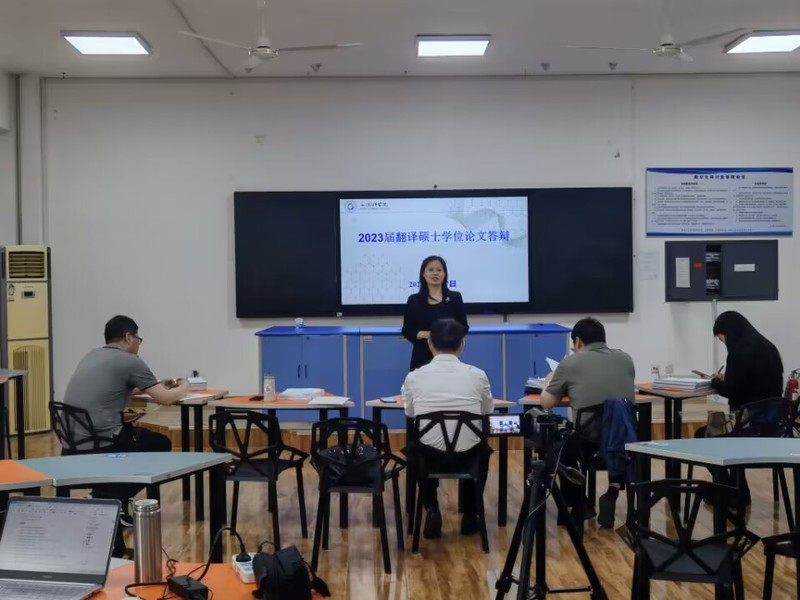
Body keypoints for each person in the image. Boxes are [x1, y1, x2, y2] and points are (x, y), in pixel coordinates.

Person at [61, 315, 190, 525]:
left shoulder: (91, 355)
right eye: (138, 339)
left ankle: (105, 495)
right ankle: (112, 498)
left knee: (141, 437)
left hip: (72, 443)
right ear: (128, 337)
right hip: (103, 444)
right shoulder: (130, 361)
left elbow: (113, 387)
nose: (139, 344)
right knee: (160, 444)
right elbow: (166, 399)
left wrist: (154, 384)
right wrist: (185, 386)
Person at [539, 317, 635, 528]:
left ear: (578, 342)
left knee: (555, 447)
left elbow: (546, 402)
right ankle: (612, 491)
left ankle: (580, 504)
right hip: (624, 442)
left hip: (589, 443)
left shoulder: (571, 363)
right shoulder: (625, 359)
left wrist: (549, 380)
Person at [402, 318, 493, 539]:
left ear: (430, 343)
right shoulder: (477, 375)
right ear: (462, 344)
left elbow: (410, 413)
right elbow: (486, 409)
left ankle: (432, 509)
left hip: (430, 457)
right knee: (482, 450)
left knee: (417, 448)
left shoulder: (414, 377)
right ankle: (470, 515)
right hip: (468, 457)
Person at [695, 311, 784, 504]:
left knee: (704, 437)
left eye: (723, 339)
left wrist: (715, 382)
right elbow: (753, 384)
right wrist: (727, 380)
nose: (724, 343)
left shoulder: (739, 354)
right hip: (774, 429)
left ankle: (730, 491)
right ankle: (737, 491)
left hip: (748, 428)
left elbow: (732, 390)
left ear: (730, 334)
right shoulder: (769, 348)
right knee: (720, 434)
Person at [401, 256, 468, 371]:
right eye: (431, 270)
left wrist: (447, 335)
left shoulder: (454, 298)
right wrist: (424, 334)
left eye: (439, 270)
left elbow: (464, 327)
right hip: (421, 356)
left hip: (448, 355)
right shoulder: (414, 300)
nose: (435, 273)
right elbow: (407, 330)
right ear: (423, 274)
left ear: (445, 274)